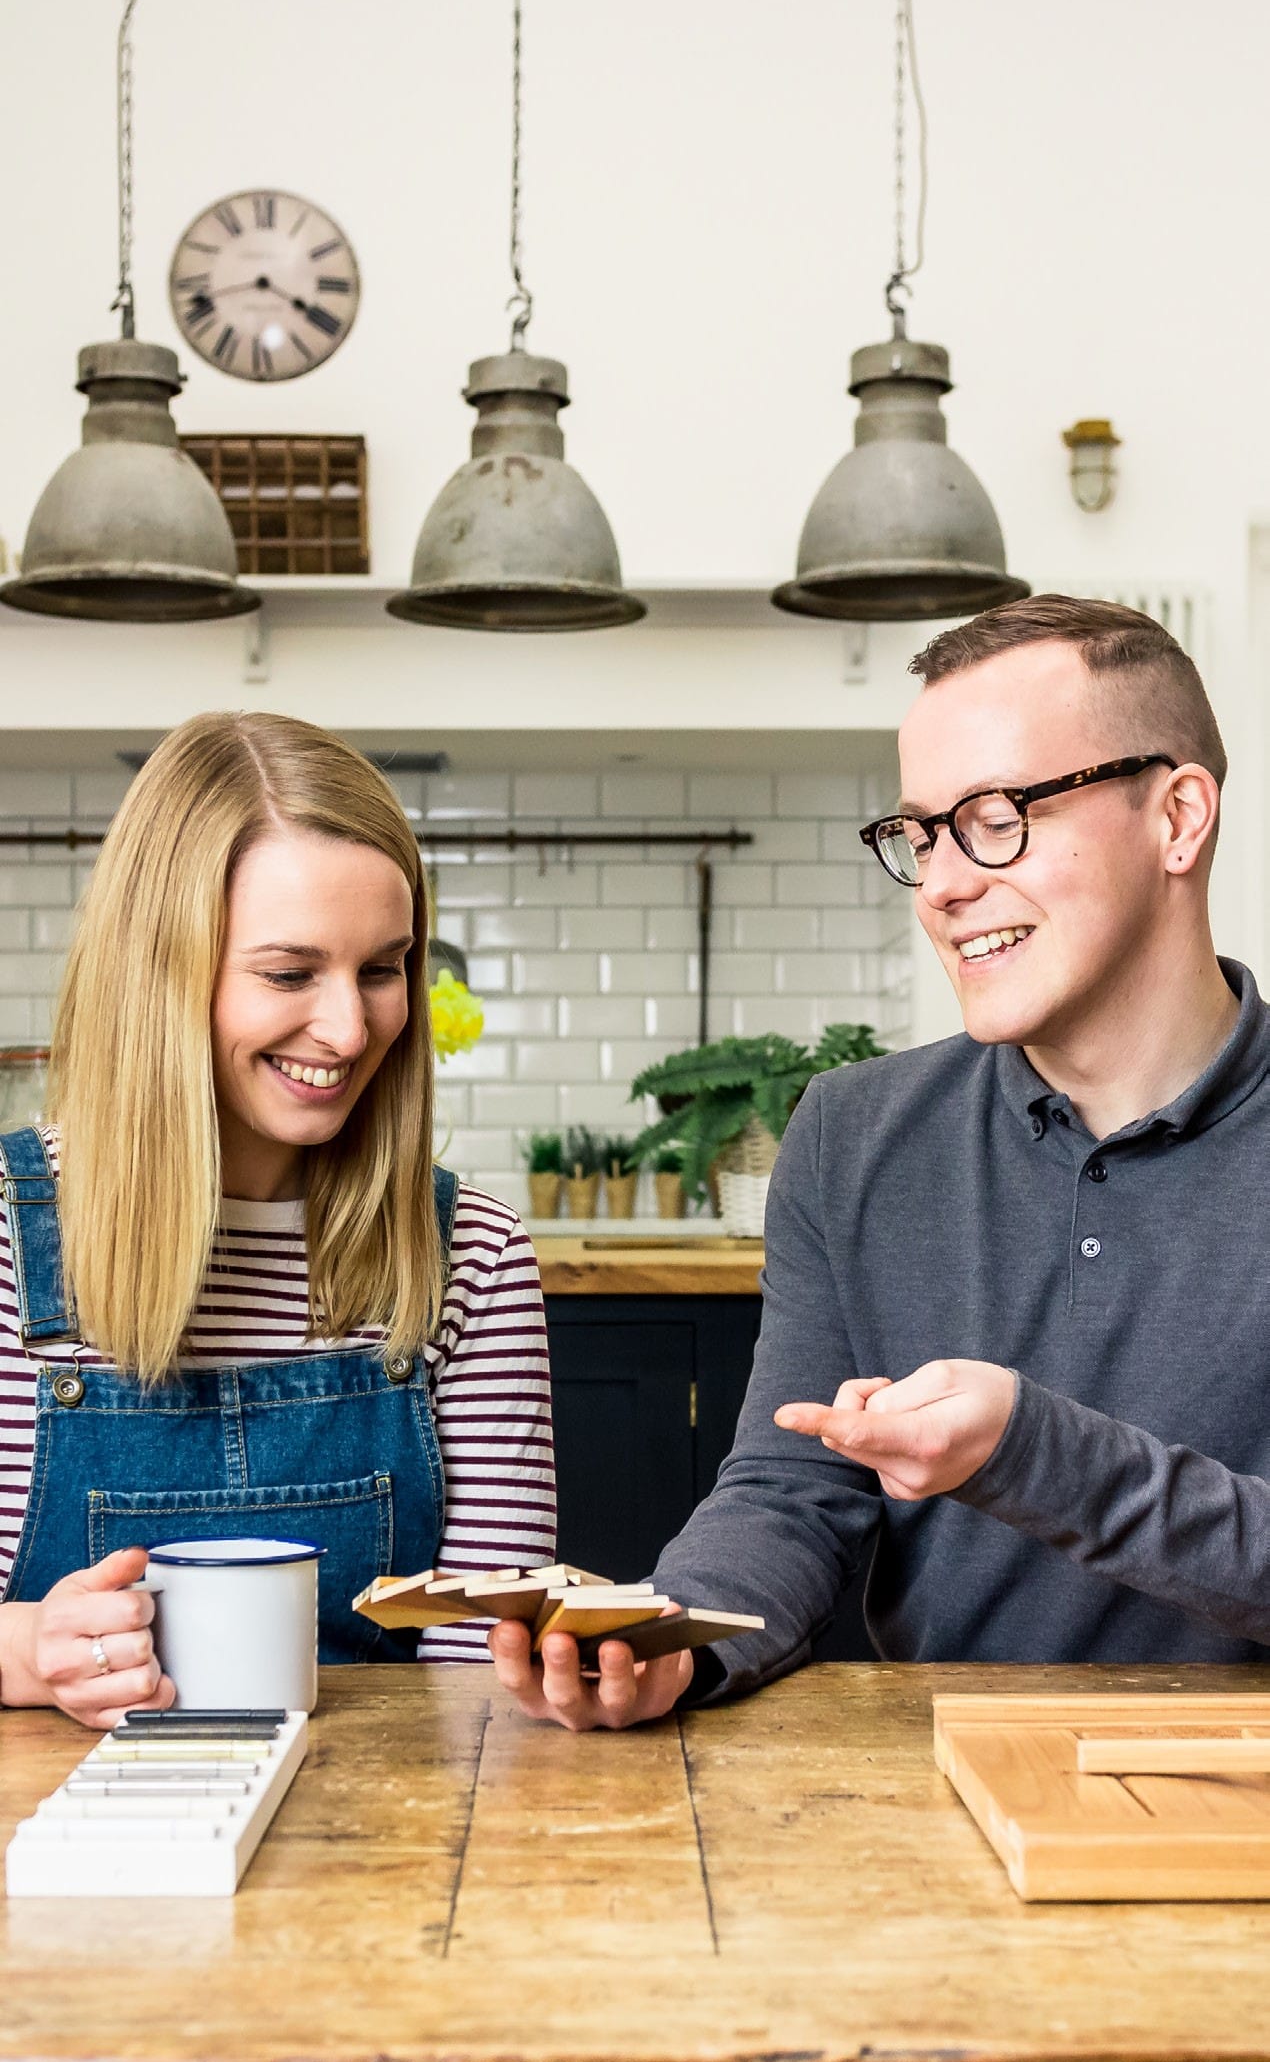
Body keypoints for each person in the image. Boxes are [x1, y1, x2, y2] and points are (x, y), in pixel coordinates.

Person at [491, 593, 1270, 1731]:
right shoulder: (853, 1132)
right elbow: (791, 1492)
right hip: (934, 1800)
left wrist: (1027, 1446)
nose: (945, 884)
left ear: (1178, 818)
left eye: (997, 815)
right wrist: (678, 1635)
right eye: (920, 834)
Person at [0, 712, 555, 1729]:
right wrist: (26, 1652)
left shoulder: (467, 1252)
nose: (350, 1029)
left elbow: (484, 1665)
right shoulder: (6, 1246)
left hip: (383, 1835)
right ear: (161, 976)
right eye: (290, 973)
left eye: (382, 969)